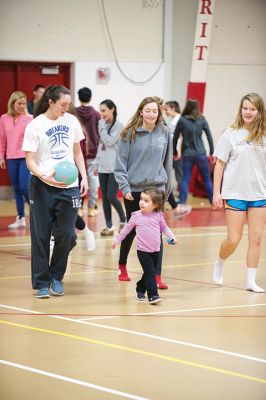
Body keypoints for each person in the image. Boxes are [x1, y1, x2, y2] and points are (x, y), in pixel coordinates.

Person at [22, 85, 88, 299]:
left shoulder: (71, 121)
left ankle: (56, 276)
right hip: (42, 185)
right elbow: (29, 159)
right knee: (40, 236)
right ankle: (42, 282)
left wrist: (84, 177)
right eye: (63, 104)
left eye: (68, 104)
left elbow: (77, 152)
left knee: (67, 234)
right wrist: (42, 175)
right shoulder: (35, 125)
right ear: (50, 101)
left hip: (69, 187)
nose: (66, 108)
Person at [114, 96, 173, 289]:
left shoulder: (165, 132)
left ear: (159, 113)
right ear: (141, 112)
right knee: (131, 230)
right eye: (148, 110)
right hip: (134, 189)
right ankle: (122, 265)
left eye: (155, 111)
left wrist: (167, 189)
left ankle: (156, 275)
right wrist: (125, 187)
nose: (151, 114)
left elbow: (168, 163)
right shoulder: (128, 133)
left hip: (156, 189)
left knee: (156, 232)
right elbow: (120, 164)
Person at [212, 93, 266, 293]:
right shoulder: (230, 134)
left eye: (252, 109)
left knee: (257, 238)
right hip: (235, 192)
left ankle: (251, 281)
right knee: (234, 239)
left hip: (260, 194)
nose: (248, 112)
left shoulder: (264, 135)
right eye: (245, 108)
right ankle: (220, 260)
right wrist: (216, 192)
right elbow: (219, 164)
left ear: (259, 111)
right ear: (240, 109)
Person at [113, 188, 176, 304]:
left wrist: (171, 236)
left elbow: (164, 228)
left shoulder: (158, 215)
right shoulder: (136, 216)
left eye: (146, 201)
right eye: (141, 199)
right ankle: (153, 295)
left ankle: (140, 288)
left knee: (148, 272)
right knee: (151, 272)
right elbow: (126, 229)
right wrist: (118, 240)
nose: (141, 202)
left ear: (155, 205)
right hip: (142, 251)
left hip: (156, 250)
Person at [173, 99, 215, 208]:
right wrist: (211, 152)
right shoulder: (202, 120)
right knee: (207, 179)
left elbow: (175, 136)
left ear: (187, 107)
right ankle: (213, 203)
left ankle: (183, 203)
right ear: (197, 107)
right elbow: (209, 136)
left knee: (185, 178)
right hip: (200, 154)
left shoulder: (182, 120)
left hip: (187, 154)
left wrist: (174, 151)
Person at [0, 91, 33, 229]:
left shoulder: (30, 118)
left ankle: (36, 210)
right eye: (19, 103)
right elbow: (2, 139)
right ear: (12, 103)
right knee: (17, 189)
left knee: (25, 187)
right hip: (11, 157)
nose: (21, 106)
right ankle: (20, 217)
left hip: (25, 157)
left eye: (24, 103)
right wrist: (1, 156)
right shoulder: (4, 118)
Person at [94, 99, 126, 236]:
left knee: (111, 196)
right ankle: (109, 225)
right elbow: (101, 146)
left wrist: (101, 127)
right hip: (103, 166)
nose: (101, 114)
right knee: (105, 199)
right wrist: (96, 163)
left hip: (115, 167)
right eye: (100, 111)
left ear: (112, 109)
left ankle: (124, 220)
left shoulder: (119, 126)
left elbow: (109, 141)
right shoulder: (104, 125)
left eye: (103, 110)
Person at [75, 87, 100, 217]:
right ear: (90, 97)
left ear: (79, 97)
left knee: (78, 179)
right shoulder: (96, 114)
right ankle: (92, 207)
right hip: (93, 152)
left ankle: (78, 207)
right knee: (92, 179)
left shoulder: (73, 113)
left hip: (78, 152)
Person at [164, 100, 191, 217]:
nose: (165, 112)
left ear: (174, 108)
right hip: (171, 152)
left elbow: (180, 138)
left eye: (167, 109)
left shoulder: (180, 120)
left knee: (179, 175)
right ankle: (173, 200)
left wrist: (178, 151)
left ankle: (182, 199)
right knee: (169, 175)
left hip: (177, 152)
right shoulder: (172, 120)